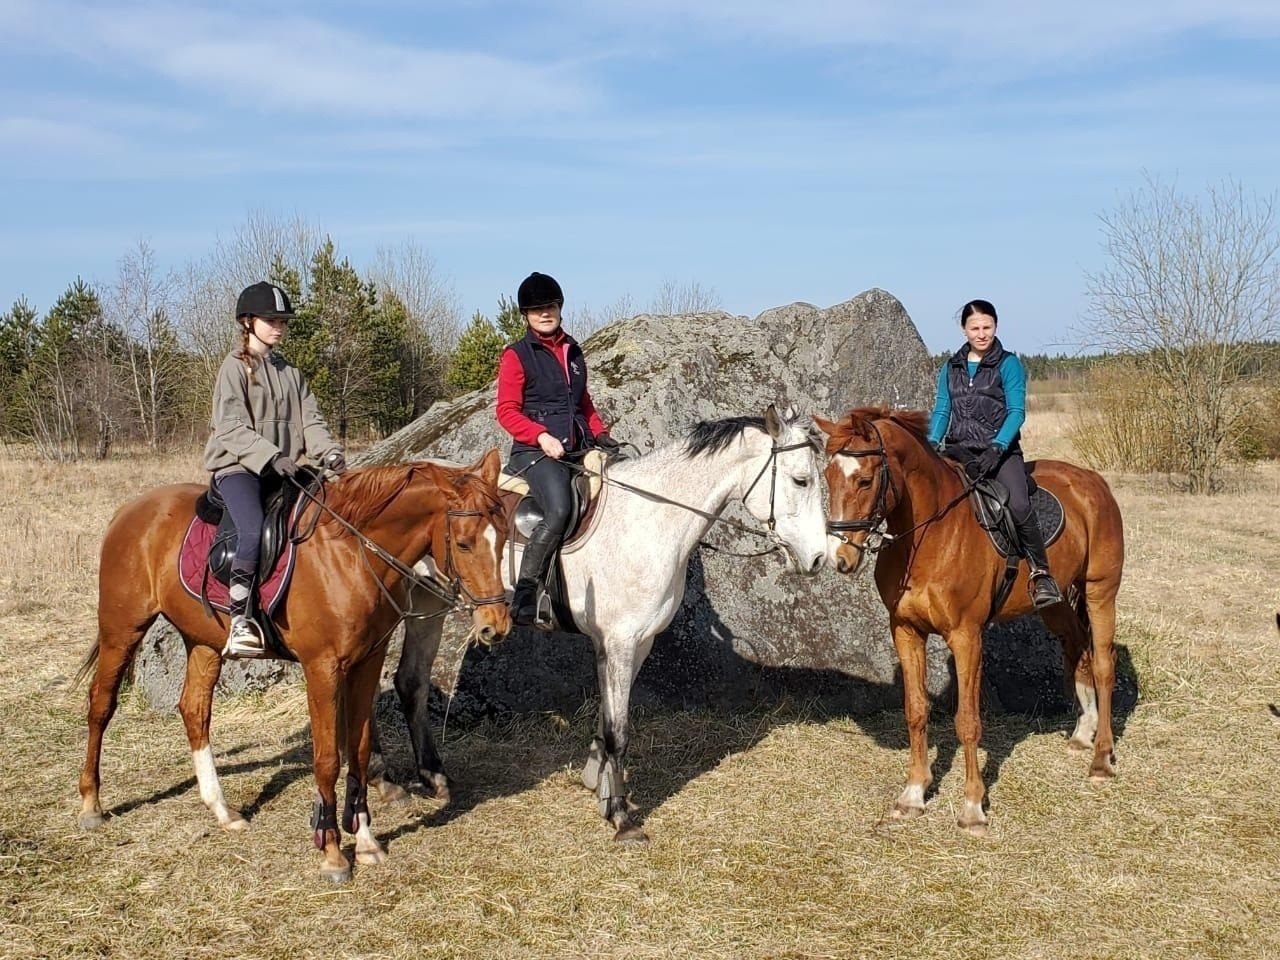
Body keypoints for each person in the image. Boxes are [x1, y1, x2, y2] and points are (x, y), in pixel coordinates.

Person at [202, 281, 347, 658]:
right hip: (238, 467)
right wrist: (269, 457)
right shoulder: (233, 369)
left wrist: (329, 453)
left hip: (280, 469)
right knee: (251, 529)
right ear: (248, 322)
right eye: (271, 320)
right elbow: (230, 427)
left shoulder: (292, 374)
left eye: (282, 321)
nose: (278, 327)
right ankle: (239, 620)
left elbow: (311, 422)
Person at [495, 272, 619, 625]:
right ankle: (526, 592)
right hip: (534, 454)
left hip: (577, 448)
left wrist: (602, 433)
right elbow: (506, 410)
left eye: (548, 307)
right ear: (526, 315)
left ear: (559, 308)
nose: (544, 313)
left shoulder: (573, 350)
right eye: (536, 310)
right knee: (560, 507)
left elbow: (583, 402)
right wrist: (540, 437)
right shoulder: (516, 356)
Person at [926, 298, 1063, 609]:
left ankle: (1041, 573)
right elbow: (942, 409)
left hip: (1001, 453)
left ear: (995, 327)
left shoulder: (1009, 364)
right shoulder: (951, 367)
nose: (981, 333)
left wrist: (998, 447)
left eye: (987, 327)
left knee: (1017, 502)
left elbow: (1016, 412)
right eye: (975, 328)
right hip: (958, 451)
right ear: (964, 330)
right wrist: (932, 441)